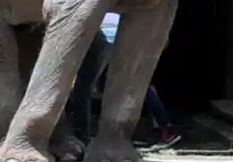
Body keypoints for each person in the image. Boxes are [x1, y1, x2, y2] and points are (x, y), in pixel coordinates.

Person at [70, 13, 182, 149]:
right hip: (124, 40)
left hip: (109, 41)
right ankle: (165, 128)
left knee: (83, 90)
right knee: (138, 86)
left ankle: (83, 137)